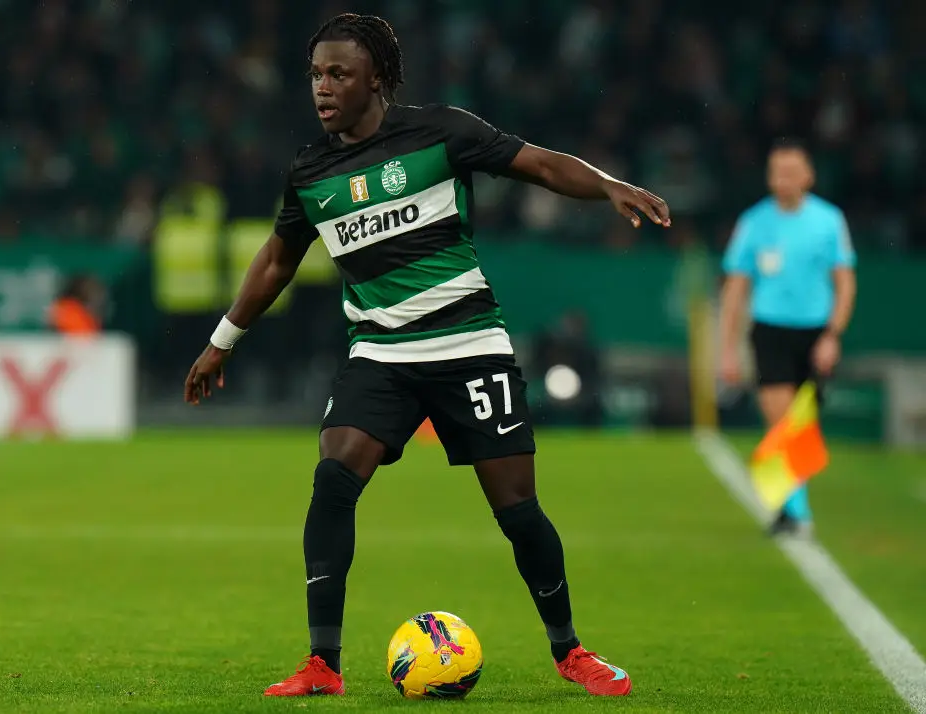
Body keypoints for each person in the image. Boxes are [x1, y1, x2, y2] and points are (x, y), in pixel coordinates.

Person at [184, 14, 670, 698]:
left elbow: (539, 163)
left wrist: (607, 185)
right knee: (332, 479)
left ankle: (570, 651)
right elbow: (276, 261)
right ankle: (323, 664)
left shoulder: (441, 132)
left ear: (375, 79)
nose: (323, 88)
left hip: (470, 346)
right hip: (380, 353)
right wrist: (221, 341)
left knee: (518, 510)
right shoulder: (311, 171)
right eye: (316, 74)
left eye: (339, 74)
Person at [719, 139, 857, 537]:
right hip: (770, 330)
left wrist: (832, 334)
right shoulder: (754, 223)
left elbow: (845, 283)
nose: (782, 181)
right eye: (776, 173)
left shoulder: (829, 221)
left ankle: (791, 507)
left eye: (790, 173)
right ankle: (796, 511)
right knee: (780, 422)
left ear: (808, 176)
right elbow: (735, 289)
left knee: (804, 424)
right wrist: (727, 349)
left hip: (815, 332)